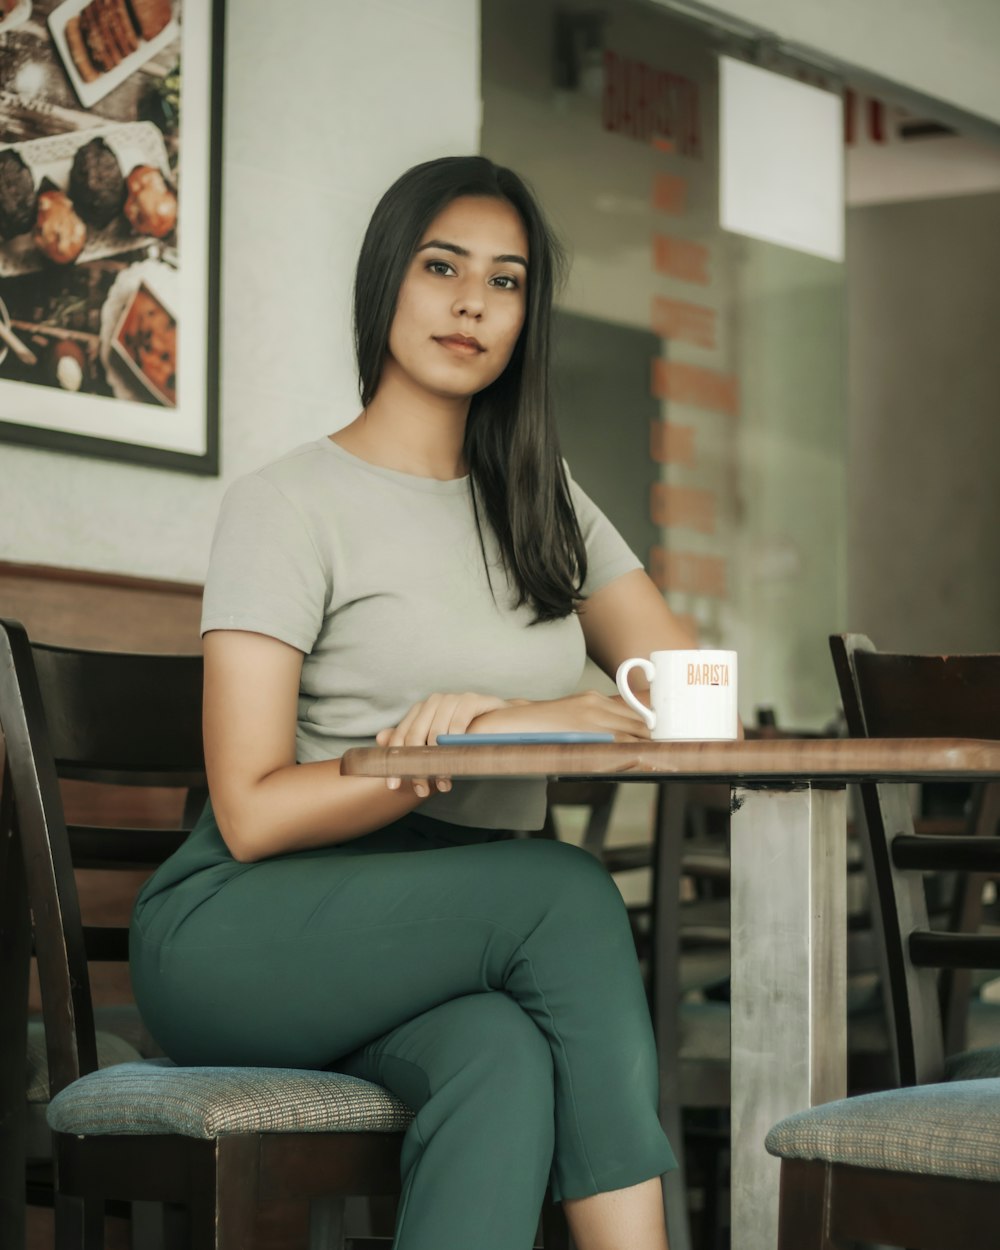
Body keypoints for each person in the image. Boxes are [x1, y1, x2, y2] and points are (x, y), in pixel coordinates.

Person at [130, 155, 696, 1250]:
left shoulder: (544, 504)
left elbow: (688, 701)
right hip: (250, 925)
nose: (473, 301)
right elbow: (250, 812)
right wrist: (490, 731)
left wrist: (545, 704)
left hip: (449, 933)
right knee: (568, 892)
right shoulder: (287, 503)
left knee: (502, 1055)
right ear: (388, 277)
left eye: (508, 279)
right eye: (443, 267)